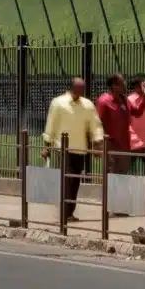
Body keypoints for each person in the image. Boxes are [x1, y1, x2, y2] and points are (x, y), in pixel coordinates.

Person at [44, 75, 104, 222]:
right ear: (72, 87)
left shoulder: (88, 105)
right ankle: (64, 213)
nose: (82, 90)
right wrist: (46, 146)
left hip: (80, 149)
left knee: (75, 181)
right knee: (68, 179)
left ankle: (69, 212)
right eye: (79, 87)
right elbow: (51, 125)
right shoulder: (58, 103)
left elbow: (95, 125)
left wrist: (97, 144)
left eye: (83, 87)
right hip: (63, 148)